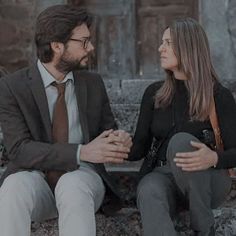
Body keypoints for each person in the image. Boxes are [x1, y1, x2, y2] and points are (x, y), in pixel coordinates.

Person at [0, 5, 132, 236]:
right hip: (36, 180)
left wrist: (117, 140)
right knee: (13, 187)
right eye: (83, 41)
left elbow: (107, 132)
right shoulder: (12, 87)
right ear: (57, 45)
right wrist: (81, 151)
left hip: (83, 180)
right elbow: (19, 150)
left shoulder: (92, 83)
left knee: (72, 185)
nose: (90, 47)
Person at [128, 18, 236, 236]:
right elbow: (138, 148)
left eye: (167, 43)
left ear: (188, 46)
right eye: (162, 42)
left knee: (181, 142)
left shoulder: (218, 96)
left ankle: (204, 229)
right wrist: (117, 144)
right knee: (149, 189)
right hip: (163, 176)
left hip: (208, 181)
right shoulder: (154, 94)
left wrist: (214, 158)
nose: (160, 48)